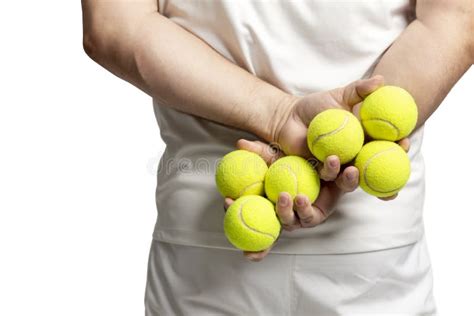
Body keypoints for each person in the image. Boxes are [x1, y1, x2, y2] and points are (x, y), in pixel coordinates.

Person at [81, 0, 473, 314]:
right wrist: (347, 146)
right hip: (370, 244)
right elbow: (456, 17)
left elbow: (115, 26)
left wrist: (280, 117)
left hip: (209, 239)